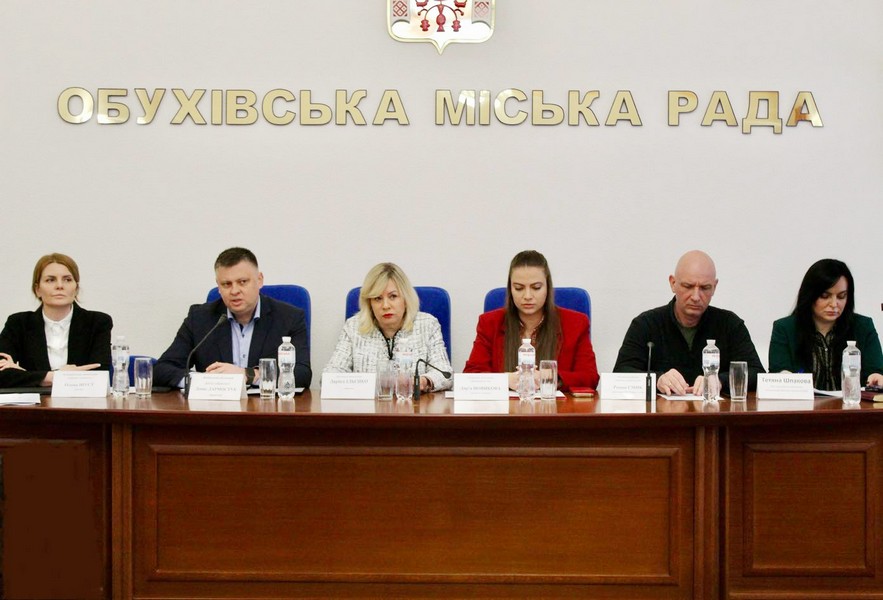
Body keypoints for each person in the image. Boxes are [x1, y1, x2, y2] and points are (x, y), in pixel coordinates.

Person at [154, 247, 311, 389]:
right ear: (218, 286)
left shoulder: (289, 318)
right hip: (214, 407)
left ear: (259, 280)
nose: (234, 291)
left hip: (266, 408)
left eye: (242, 282)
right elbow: (162, 369)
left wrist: (248, 375)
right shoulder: (200, 318)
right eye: (226, 284)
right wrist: (203, 381)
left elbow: (302, 374)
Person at [613, 250, 764, 395]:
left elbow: (756, 373)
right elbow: (620, 373)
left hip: (715, 411)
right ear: (673, 283)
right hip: (662, 412)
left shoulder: (729, 324)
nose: (696, 297)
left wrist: (719, 380)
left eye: (705, 288)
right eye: (688, 286)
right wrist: (657, 379)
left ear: (714, 287)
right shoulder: (646, 324)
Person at [463, 250, 599, 392]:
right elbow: (470, 376)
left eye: (536, 288)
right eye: (519, 288)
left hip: (555, 405)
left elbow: (590, 378)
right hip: (506, 406)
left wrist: (550, 377)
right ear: (510, 289)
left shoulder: (576, 323)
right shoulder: (490, 323)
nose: (527, 296)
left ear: (548, 288)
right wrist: (505, 380)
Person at [324, 262, 452, 392]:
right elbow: (330, 374)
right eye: (377, 298)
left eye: (393, 296)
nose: (385, 306)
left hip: (413, 403)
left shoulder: (427, 324)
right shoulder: (353, 327)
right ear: (369, 303)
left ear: (405, 299)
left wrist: (423, 381)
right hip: (367, 404)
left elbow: (445, 374)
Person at [0, 253, 112, 388]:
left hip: (80, 400)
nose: (59, 286)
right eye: (50, 280)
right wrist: (56, 376)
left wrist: (27, 375)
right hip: (35, 401)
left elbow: (98, 375)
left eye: (67, 280)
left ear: (76, 288)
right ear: (37, 289)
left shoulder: (97, 322)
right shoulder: (18, 323)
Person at [769, 258, 883, 390]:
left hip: (851, 402)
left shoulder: (863, 326)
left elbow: (875, 370)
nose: (834, 304)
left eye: (841, 296)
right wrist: (784, 377)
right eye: (825, 296)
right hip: (804, 402)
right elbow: (778, 372)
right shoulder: (784, 328)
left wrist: (876, 377)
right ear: (810, 295)